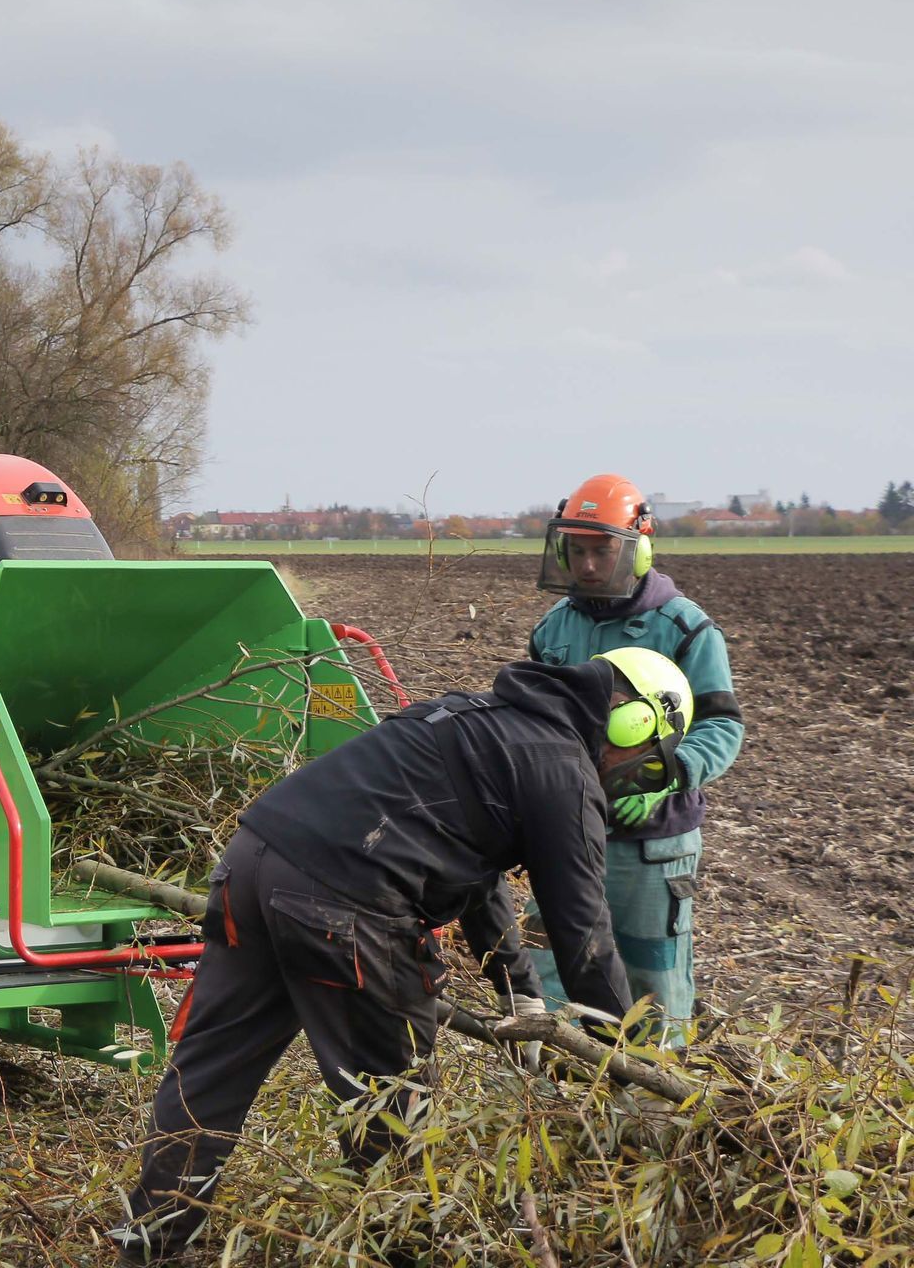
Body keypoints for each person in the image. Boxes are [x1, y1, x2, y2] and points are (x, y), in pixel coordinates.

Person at [109, 648, 693, 1264]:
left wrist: (515, 985)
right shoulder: (564, 768)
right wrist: (628, 1060)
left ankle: (150, 1246)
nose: (630, 774)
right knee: (392, 1102)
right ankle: (403, 1250)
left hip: (250, 866)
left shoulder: (481, 716)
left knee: (212, 1072)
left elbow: (481, 872)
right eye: (645, 761)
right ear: (632, 718)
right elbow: (585, 935)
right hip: (343, 908)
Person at [524, 474, 744, 1044]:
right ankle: (549, 1103)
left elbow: (723, 725)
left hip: (652, 842)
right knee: (549, 971)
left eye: (602, 549)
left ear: (639, 547)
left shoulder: (684, 628)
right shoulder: (553, 630)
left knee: (653, 980)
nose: (589, 564)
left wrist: (667, 774)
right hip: (568, 834)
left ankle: (656, 1107)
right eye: (577, 550)